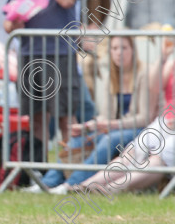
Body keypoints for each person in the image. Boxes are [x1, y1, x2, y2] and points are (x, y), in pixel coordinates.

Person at [36, 36, 160, 194]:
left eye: (123, 48)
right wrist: (87, 127)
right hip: (115, 128)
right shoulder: (112, 76)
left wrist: (111, 125)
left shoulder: (144, 74)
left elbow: (145, 118)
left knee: (109, 139)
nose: (119, 53)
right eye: (114, 49)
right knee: (78, 138)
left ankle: (71, 185)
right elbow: (105, 115)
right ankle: (47, 184)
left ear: (133, 51)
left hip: (141, 129)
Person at [4, 0, 82, 165]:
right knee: (36, 117)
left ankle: (70, 171)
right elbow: (8, 23)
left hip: (60, 54)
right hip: (30, 55)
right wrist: (14, 22)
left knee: (65, 117)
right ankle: (37, 170)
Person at [56, 112, 175, 197]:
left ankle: (110, 189)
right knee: (133, 151)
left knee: (162, 154)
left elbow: (145, 115)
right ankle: (86, 186)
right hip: (168, 119)